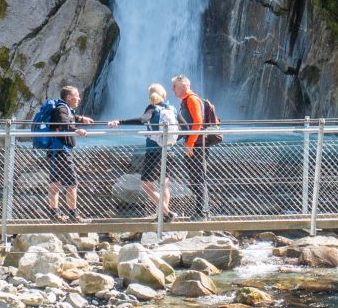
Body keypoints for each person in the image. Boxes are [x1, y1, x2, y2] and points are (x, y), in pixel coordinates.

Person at [107, 83, 180, 220]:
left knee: (146, 184)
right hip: (169, 151)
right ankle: (163, 214)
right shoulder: (172, 109)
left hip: (154, 151)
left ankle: (166, 213)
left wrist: (120, 121)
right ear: (164, 95)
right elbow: (183, 126)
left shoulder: (153, 108)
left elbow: (142, 119)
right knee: (164, 185)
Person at [42, 84, 93, 222]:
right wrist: (77, 130)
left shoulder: (64, 108)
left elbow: (69, 118)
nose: (79, 99)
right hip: (61, 151)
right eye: (77, 96)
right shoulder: (61, 109)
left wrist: (81, 119)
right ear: (69, 97)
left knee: (56, 183)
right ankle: (73, 215)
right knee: (72, 183)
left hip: (56, 151)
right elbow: (64, 123)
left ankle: (54, 213)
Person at [172, 74, 214, 219]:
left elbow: (198, 122)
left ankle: (202, 213)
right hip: (193, 144)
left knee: (198, 178)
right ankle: (202, 211)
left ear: (184, 86)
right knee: (195, 178)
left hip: (197, 145)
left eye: (175, 87)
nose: (172, 90)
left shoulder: (192, 100)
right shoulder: (186, 101)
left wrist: (189, 144)